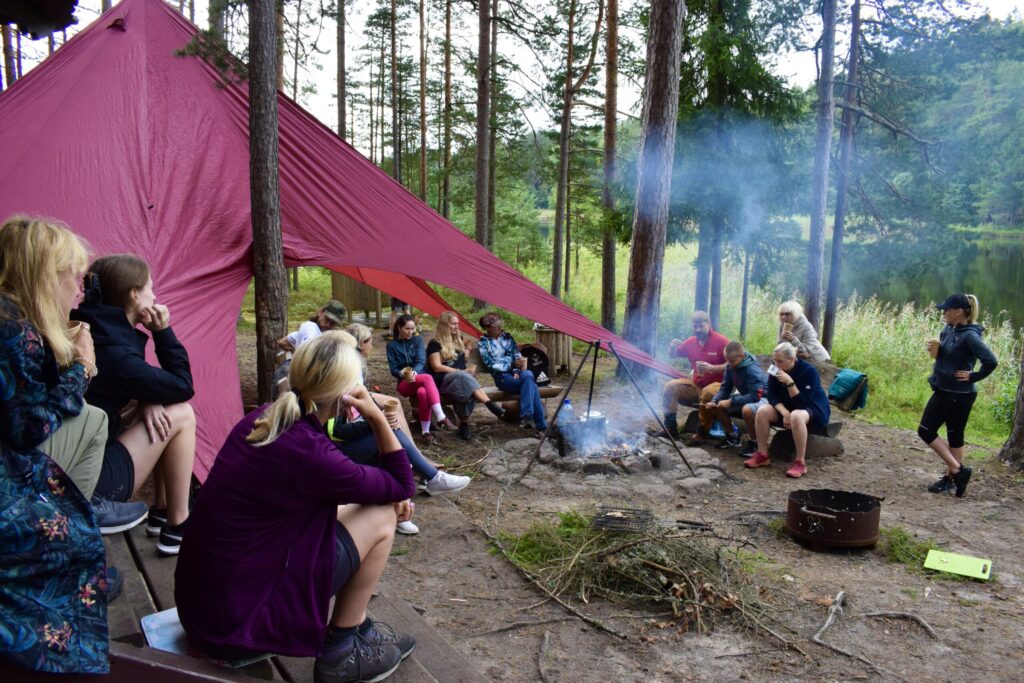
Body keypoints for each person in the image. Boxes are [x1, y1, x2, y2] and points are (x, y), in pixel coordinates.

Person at [175, 333, 417, 683]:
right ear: (348, 394)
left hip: (204, 609)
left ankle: (359, 625)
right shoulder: (311, 455)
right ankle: (341, 651)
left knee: (357, 504)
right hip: (235, 627)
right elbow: (402, 485)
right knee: (381, 515)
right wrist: (378, 418)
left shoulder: (264, 418)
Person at [0, 216, 118, 673]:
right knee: (97, 419)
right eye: (73, 274)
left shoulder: (15, 318)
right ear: (42, 274)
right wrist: (82, 367)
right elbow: (28, 427)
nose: (80, 287)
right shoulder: (14, 331)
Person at [73, 255, 196, 555]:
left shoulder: (87, 327)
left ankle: (162, 513)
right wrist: (162, 332)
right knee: (182, 414)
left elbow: (126, 381)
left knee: (163, 410)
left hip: (74, 462)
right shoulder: (116, 353)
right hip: (92, 484)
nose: (155, 296)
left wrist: (147, 397)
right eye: (150, 288)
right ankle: (178, 524)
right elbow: (182, 385)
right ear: (134, 294)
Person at [330, 325, 471, 535]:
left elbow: (365, 408)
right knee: (390, 437)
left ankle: (401, 508)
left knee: (392, 432)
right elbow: (337, 431)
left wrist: (378, 417)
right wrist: (375, 422)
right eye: (369, 341)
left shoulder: (353, 375)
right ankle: (431, 479)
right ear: (359, 346)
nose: (372, 345)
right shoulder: (336, 385)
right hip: (337, 452)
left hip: (351, 444)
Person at [919, 293, 997, 498]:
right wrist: (935, 351)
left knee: (926, 430)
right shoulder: (949, 329)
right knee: (954, 437)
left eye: (946, 309)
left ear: (959, 311)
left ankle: (958, 472)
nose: (943, 312)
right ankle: (953, 477)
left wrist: (973, 376)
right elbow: (948, 356)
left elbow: (991, 361)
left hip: (958, 394)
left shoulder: (970, 335)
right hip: (944, 388)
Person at [744, 342, 831, 478]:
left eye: (780, 361)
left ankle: (800, 462)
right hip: (787, 406)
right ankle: (762, 454)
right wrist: (784, 413)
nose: (776, 365)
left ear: (792, 359)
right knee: (762, 411)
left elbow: (803, 403)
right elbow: (771, 395)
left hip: (813, 409)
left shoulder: (808, 371)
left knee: (796, 415)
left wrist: (790, 383)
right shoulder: (775, 370)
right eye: (775, 360)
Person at [427, 311, 507, 440]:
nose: (457, 326)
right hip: (443, 382)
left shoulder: (458, 340)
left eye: (457, 324)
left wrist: (468, 350)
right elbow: (437, 366)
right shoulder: (435, 343)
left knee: (466, 387)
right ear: (444, 325)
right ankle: (489, 404)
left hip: (461, 381)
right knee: (463, 378)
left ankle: (464, 426)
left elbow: (470, 341)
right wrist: (460, 372)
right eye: (453, 324)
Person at [659, 311, 729, 441]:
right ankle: (670, 428)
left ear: (709, 324)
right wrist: (671, 347)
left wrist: (712, 368)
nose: (697, 330)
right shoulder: (691, 342)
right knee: (670, 386)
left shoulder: (721, 341)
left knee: (707, 393)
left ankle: (701, 432)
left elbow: (733, 363)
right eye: (695, 327)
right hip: (697, 385)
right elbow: (673, 355)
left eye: (701, 326)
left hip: (719, 386)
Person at [386, 313, 454, 445]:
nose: (410, 332)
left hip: (419, 378)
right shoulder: (392, 345)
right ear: (399, 327)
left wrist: (415, 373)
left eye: (412, 328)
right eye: (407, 329)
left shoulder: (417, 340)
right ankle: (441, 417)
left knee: (422, 392)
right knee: (428, 377)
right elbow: (393, 369)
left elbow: (421, 361)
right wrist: (401, 373)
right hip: (404, 384)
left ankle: (425, 432)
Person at [476, 312, 548, 435]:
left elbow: (516, 355)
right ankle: (540, 426)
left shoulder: (507, 337)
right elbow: (492, 365)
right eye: (496, 325)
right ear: (488, 327)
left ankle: (527, 417)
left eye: (499, 324)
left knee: (528, 375)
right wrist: (512, 365)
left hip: (517, 374)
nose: (499, 327)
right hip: (502, 378)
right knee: (531, 384)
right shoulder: (483, 343)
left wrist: (516, 369)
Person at [705, 341, 768, 450]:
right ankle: (732, 436)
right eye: (727, 361)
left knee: (747, 410)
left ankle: (755, 443)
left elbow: (755, 396)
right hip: (748, 396)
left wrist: (731, 401)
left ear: (742, 356)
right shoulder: (730, 367)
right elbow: (725, 389)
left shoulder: (752, 370)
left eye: (732, 361)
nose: (729, 364)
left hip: (764, 398)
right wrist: (714, 401)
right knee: (718, 406)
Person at [276, 299, 347, 353]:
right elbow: (307, 353)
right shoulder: (311, 327)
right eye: (327, 319)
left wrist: (296, 352)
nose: (328, 325)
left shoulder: (322, 333)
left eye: (333, 323)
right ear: (321, 312)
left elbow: (283, 342)